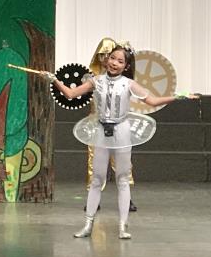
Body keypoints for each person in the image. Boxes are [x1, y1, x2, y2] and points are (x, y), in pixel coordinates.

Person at [47, 44, 197, 239]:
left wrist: (178, 96)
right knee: (97, 179)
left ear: (126, 66)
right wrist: (54, 80)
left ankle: (123, 227)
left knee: (123, 178)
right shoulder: (96, 81)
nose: (114, 63)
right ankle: (88, 225)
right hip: (101, 130)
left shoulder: (128, 84)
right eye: (112, 58)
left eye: (120, 61)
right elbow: (71, 94)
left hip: (122, 131)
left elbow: (152, 101)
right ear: (106, 59)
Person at [86, 37, 137, 212]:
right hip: (97, 124)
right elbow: (74, 94)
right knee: (94, 161)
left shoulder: (123, 80)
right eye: (103, 55)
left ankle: (127, 197)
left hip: (118, 125)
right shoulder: (92, 77)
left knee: (122, 162)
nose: (106, 58)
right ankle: (93, 197)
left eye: (109, 54)